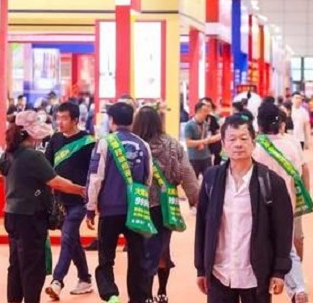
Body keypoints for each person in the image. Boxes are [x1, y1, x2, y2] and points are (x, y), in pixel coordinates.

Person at [194, 114, 294, 303]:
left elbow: (283, 231)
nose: (238, 144)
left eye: (243, 138)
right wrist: (201, 268)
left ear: (253, 143)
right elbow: (202, 226)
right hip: (219, 272)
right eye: (232, 139)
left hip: (256, 274)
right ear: (223, 145)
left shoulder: (272, 182)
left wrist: (279, 271)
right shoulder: (211, 178)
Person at [0, 111, 85, 303]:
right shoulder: (33, 156)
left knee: (16, 265)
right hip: (31, 216)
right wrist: (80, 189)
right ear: (30, 133)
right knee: (33, 267)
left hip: (11, 213)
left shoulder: (8, 154)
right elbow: (56, 182)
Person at [86, 102, 153, 303]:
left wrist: (90, 207)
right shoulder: (143, 145)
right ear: (132, 120)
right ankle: (138, 297)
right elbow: (148, 179)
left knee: (106, 256)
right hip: (135, 210)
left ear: (112, 120)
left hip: (109, 210)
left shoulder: (105, 143)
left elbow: (96, 177)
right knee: (137, 257)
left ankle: (111, 294)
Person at [133, 106, 200, 303]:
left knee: (142, 250)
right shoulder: (172, 144)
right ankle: (162, 291)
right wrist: (195, 198)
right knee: (162, 249)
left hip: (138, 204)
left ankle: (146, 295)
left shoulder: (132, 145)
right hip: (165, 205)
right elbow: (186, 171)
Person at [252, 102, 311, 303]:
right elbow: (302, 172)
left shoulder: (255, 148)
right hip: (287, 205)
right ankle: (298, 288)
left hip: (259, 207)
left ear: (259, 124)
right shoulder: (292, 144)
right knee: (287, 248)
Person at [44, 102, 96, 300]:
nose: (60, 122)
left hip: (79, 200)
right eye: (58, 118)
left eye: (64, 118)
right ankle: (85, 279)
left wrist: (93, 202)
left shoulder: (88, 142)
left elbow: (94, 173)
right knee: (72, 238)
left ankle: (57, 281)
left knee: (67, 236)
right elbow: (46, 167)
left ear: (75, 120)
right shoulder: (55, 139)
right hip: (59, 200)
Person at [184, 102, 221, 180]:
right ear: (198, 111)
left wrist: (215, 138)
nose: (206, 113)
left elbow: (207, 138)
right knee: (193, 181)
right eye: (204, 111)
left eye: (207, 111)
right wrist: (205, 141)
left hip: (206, 156)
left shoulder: (206, 124)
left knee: (210, 180)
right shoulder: (189, 125)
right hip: (193, 158)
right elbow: (188, 143)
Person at [201, 98, 223, 166]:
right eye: (204, 105)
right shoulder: (194, 119)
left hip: (211, 144)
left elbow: (216, 131)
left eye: (209, 106)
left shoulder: (212, 118)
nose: (206, 108)